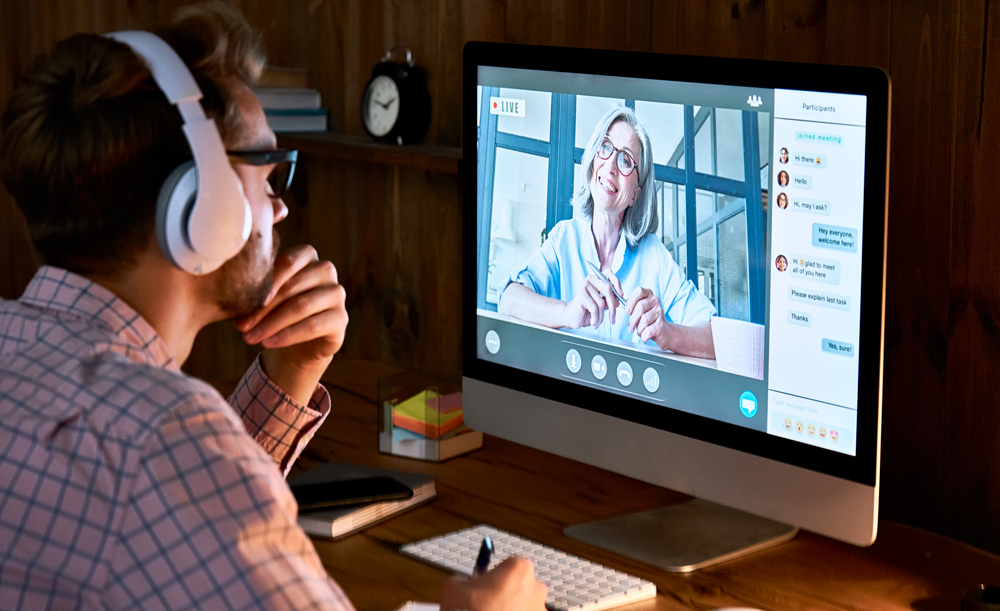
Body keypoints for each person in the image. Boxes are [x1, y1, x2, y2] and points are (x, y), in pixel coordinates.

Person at [0, 4, 546, 610]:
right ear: (203, 208)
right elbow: (166, 477)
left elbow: (179, 537)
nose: (281, 208)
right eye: (267, 172)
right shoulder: (162, 438)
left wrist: (289, 376)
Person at [498, 107, 716, 358]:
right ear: (592, 161)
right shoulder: (563, 239)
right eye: (605, 147)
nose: (611, 165)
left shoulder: (655, 256)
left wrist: (669, 333)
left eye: (625, 160)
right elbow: (509, 301)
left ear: (636, 193)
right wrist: (568, 312)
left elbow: (715, 338)